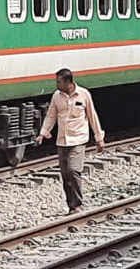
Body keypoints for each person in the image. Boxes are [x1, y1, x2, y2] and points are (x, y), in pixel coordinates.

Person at [33, 68, 105, 212]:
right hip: (62, 140)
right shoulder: (56, 96)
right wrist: (43, 133)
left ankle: (77, 204)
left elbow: (92, 116)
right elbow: (51, 116)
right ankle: (71, 206)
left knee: (73, 171)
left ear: (68, 82)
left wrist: (99, 138)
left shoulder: (84, 95)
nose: (56, 84)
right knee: (65, 174)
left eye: (59, 82)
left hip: (78, 139)